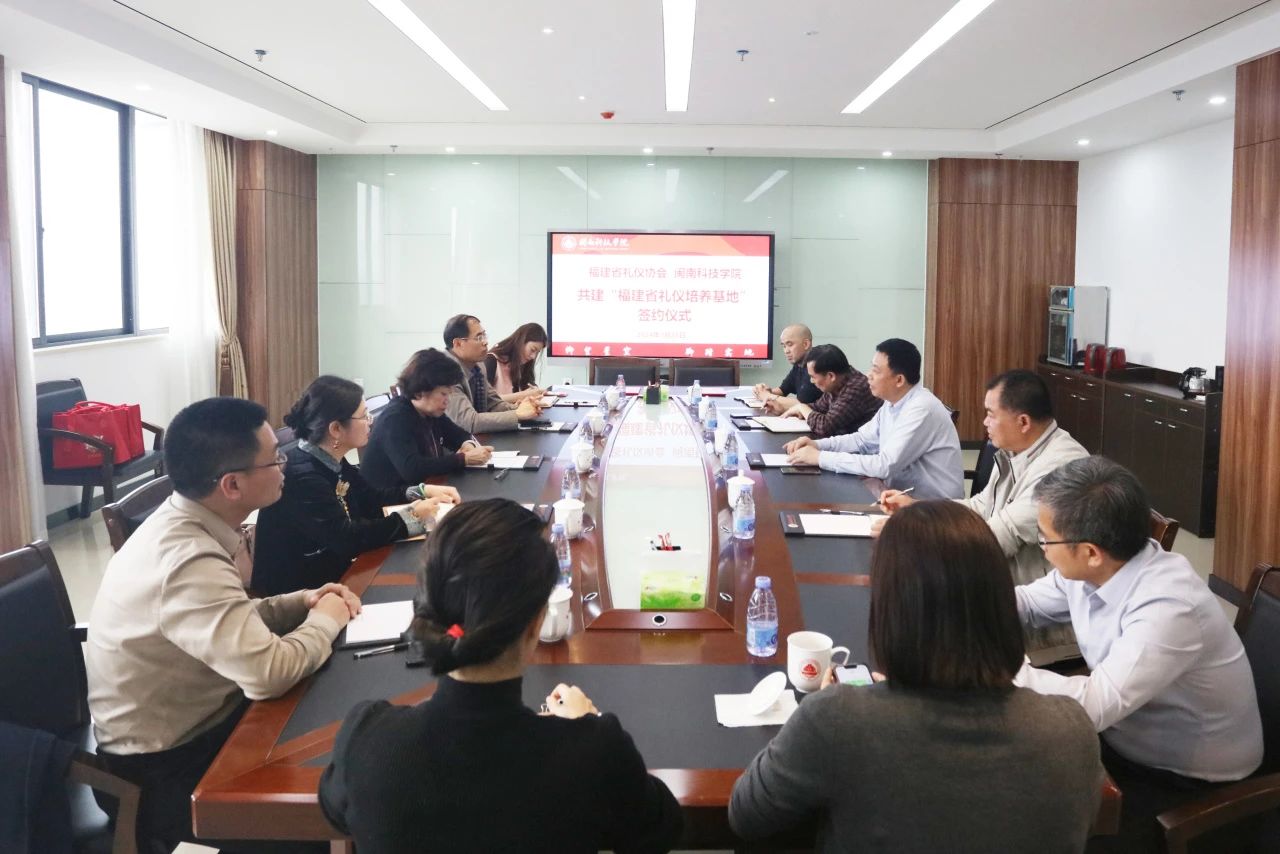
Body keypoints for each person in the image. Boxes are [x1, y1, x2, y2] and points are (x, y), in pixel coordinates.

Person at [729, 501, 1102, 852]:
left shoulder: (836, 719)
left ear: (892, 611)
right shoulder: (1071, 730)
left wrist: (828, 712)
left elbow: (746, 815)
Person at [318, 499, 683, 852]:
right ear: (536, 624)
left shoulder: (365, 739)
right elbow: (660, 832)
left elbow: (337, 811)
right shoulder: (594, 751)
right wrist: (587, 723)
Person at [85, 397, 362, 853]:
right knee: (341, 805)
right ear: (232, 484)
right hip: (164, 768)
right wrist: (325, 620)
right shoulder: (186, 558)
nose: (285, 466)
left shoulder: (192, 522)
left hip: (211, 720)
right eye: (275, 459)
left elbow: (226, 617)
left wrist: (301, 603)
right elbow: (268, 673)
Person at [1014, 456, 1263, 851]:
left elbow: (1094, 705)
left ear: (1091, 551)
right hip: (1125, 735)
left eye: (1045, 539)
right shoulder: (1100, 565)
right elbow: (1026, 603)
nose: (1042, 548)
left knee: (1041, 825)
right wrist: (960, 602)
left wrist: (998, 668)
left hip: (1185, 782)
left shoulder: (1168, 604)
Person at [878, 369, 1087, 658]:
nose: (984, 422)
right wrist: (919, 508)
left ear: (1023, 422)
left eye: (990, 414)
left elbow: (999, 537)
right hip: (1003, 592)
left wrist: (916, 532)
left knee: (920, 619)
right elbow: (980, 507)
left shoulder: (1062, 468)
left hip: (1039, 626)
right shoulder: (1019, 451)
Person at [251, 376, 461, 596]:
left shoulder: (329, 458)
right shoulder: (303, 477)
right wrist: (412, 517)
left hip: (331, 571)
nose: (370, 421)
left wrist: (421, 491)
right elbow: (346, 538)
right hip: (299, 592)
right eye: (363, 416)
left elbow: (370, 497)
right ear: (336, 429)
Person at [784, 338, 963, 499]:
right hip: (897, 497)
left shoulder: (921, 409)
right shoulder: (893, 402)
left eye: (876, 370)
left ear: (899, 380)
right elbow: (861, 440)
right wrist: (818, 445)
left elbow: (884, 465)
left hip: (933, 509)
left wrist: (820, 458)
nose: (868, 375)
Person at [361, 348, 493, 490]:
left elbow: (459, 434)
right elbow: (413, 469)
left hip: (424, 489)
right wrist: (463, 459)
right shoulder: (395, 419)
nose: (447, 401)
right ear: (420, 392)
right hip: (391, 498)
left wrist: (468, 445)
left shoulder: (430, 411)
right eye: (443, 394)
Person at [442, 314, 541, 432]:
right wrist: (517, 414)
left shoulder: (478, 366)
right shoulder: (445, 373)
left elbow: (493, 404)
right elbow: (469, 422)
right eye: (479, 338)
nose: (485, 342)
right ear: (458, 344)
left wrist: (519, 407)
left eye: (484, 335)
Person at [777, 343, 879, 438]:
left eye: (813, 377)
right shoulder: (839, 379)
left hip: (861, 447)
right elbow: (819, 407)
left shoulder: (855, 389)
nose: (811, 381)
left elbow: (825, 427)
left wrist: (802, 407)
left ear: (831, 376)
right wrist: (792, 410)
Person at [753, 323, 820, 415]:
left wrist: (767, 395)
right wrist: (763, 391)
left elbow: (802, 405)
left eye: (790, 344)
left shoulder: (817, 365)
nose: (786, 351)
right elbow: (782, 390)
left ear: (806, 344)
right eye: (784, 346)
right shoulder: (799, 364)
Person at [485, 322, 548, 402]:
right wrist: (523, 395)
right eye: (532, 350)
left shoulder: (523, 364)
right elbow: (485, 400)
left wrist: (535, 392)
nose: (533, 357)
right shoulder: (491, 361)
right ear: (521, 341)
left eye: (537, 353)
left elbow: (528, 387)